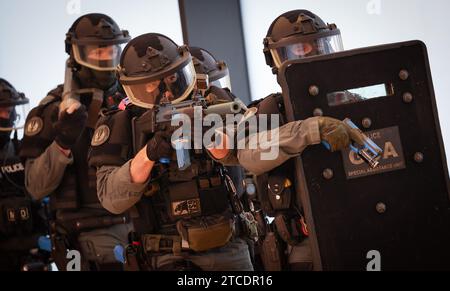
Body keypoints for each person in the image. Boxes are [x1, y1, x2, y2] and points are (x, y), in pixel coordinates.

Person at [88, 33, 254, 271]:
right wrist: (149, 154)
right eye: (151, 85)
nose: (165, 91)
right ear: (132, 88)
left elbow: (250, 155)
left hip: (230, 247)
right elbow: (111, 199)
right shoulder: (122, 123)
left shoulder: (215, 101)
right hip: (169, 254)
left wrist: (211, 135)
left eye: (172, 78)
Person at [207, 10, 353, 270]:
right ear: (278, 60)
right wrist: (310, 130)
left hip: (365, 230)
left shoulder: (351, 101)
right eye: (299, 49)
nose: (311, 55)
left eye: (318, 46)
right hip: (307, 247)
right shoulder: (270, 111)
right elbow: (250, 156)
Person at [19, 13, 132, 271]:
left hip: (139, 225)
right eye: (97, 52)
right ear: (78, 54)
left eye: (111, 50)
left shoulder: (133, 98)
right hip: (84, 233)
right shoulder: (50, 112)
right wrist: (62, 142)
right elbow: (35, 188)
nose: (106, 58)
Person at [0, 79, 50, 271]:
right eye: (3, 110)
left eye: (11, 110)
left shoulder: (23, 152)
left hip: (35, 259)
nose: (9, 116)